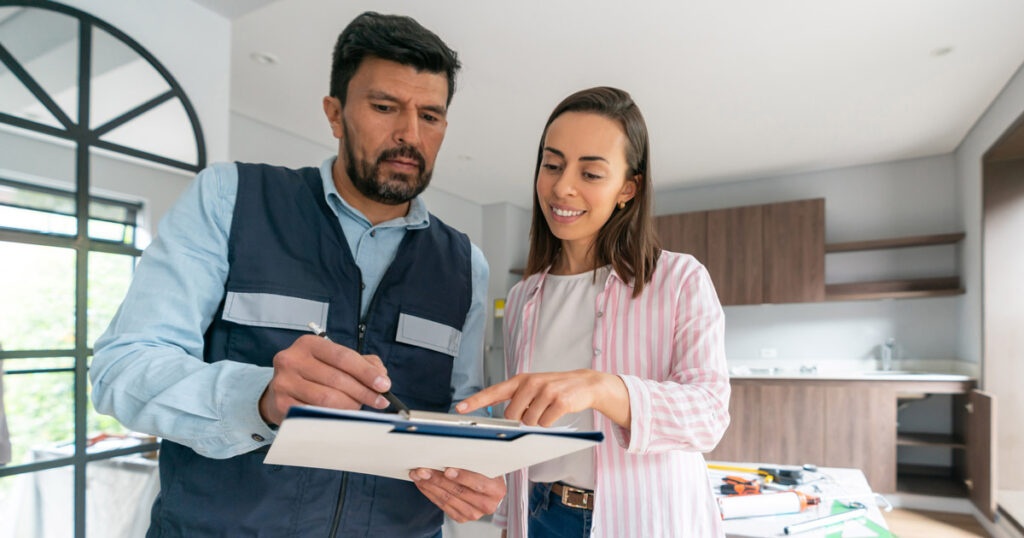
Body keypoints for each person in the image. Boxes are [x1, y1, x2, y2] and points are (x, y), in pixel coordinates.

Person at [91, 12, 504, 537]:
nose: (409, 134)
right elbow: (121, 369)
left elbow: (462, 413)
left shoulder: (467, 264)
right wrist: (258, 398)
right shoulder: (229, 200)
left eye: (431, 115)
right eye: (384, 107)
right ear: (335, 115)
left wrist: (476, 474)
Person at [455, 87, 731, 537]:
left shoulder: (681, 279)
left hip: (648, 518)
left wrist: (604, 389)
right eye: (552, 164)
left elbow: (709, 416)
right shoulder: (525, 297)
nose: (563, 186)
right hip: (540, 513)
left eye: (591, 173)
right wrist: (507, 522)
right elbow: (518, 421)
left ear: (628, 187)